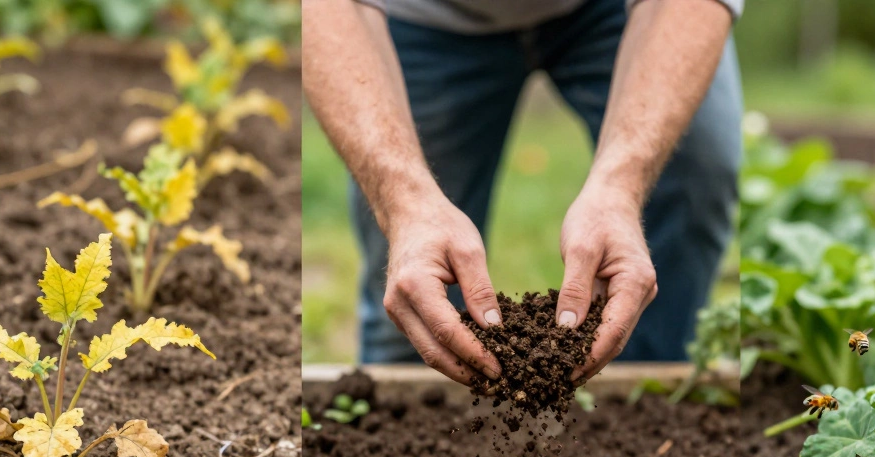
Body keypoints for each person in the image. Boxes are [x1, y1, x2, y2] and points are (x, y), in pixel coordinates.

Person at [303, 0, 742, 386]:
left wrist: (621, 186)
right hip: (420, 16)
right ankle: (405, 424)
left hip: (613, 9)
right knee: (417, 279)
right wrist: (405, 202)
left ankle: (650, 394)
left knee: (697, 167)